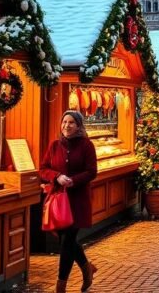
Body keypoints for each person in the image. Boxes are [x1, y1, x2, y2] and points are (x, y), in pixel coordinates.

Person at [39, 111, 99, 293]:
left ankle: (60, 285)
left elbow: (91, 171)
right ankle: (87, 268)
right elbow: (43, 169)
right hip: (58, 201)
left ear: (79, 125)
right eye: (64, 122)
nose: (66, 125)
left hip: (77, 201)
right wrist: (56, 177)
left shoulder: (87, 145)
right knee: (66, 240)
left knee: (67, 240)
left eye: (71, 122)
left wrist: (73, 180)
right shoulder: (55, 145)